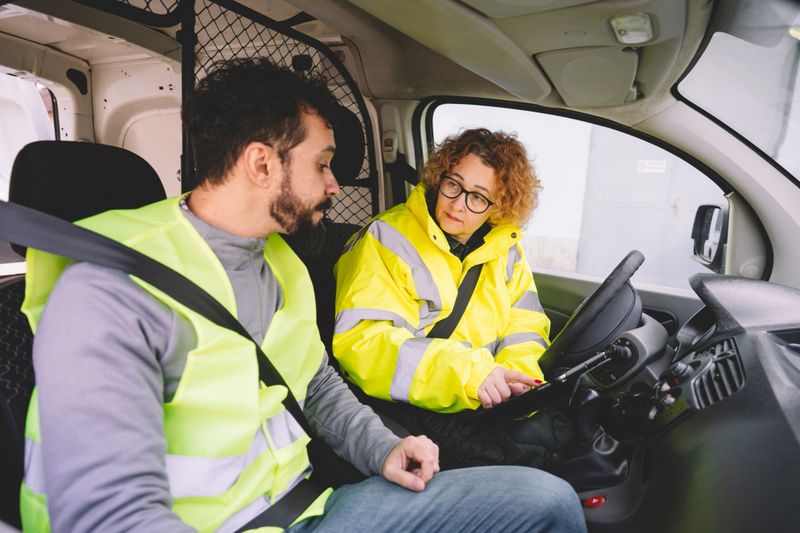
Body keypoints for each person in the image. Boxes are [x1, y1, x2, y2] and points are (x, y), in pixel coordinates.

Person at [18, 58, 586, 532]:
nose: (336, 185)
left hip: (306, 506)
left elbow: (314, 382)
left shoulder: (279, 258)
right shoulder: (110, 290)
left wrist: (380, 448)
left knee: (548, 501)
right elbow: (108, 517)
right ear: (264, 164)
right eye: (323, 164)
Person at [333, 128, 573, 469]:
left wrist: (515, 382)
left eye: (477, 197)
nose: (458, 204)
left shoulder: (506, 251)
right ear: (440, 176)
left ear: (499, 205)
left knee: (558, 431)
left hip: (485, 401)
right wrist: (472, 376)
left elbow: (526, 327)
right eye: (453, 185)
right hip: (413, 404)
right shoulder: (386, 239)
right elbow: (366, 345)